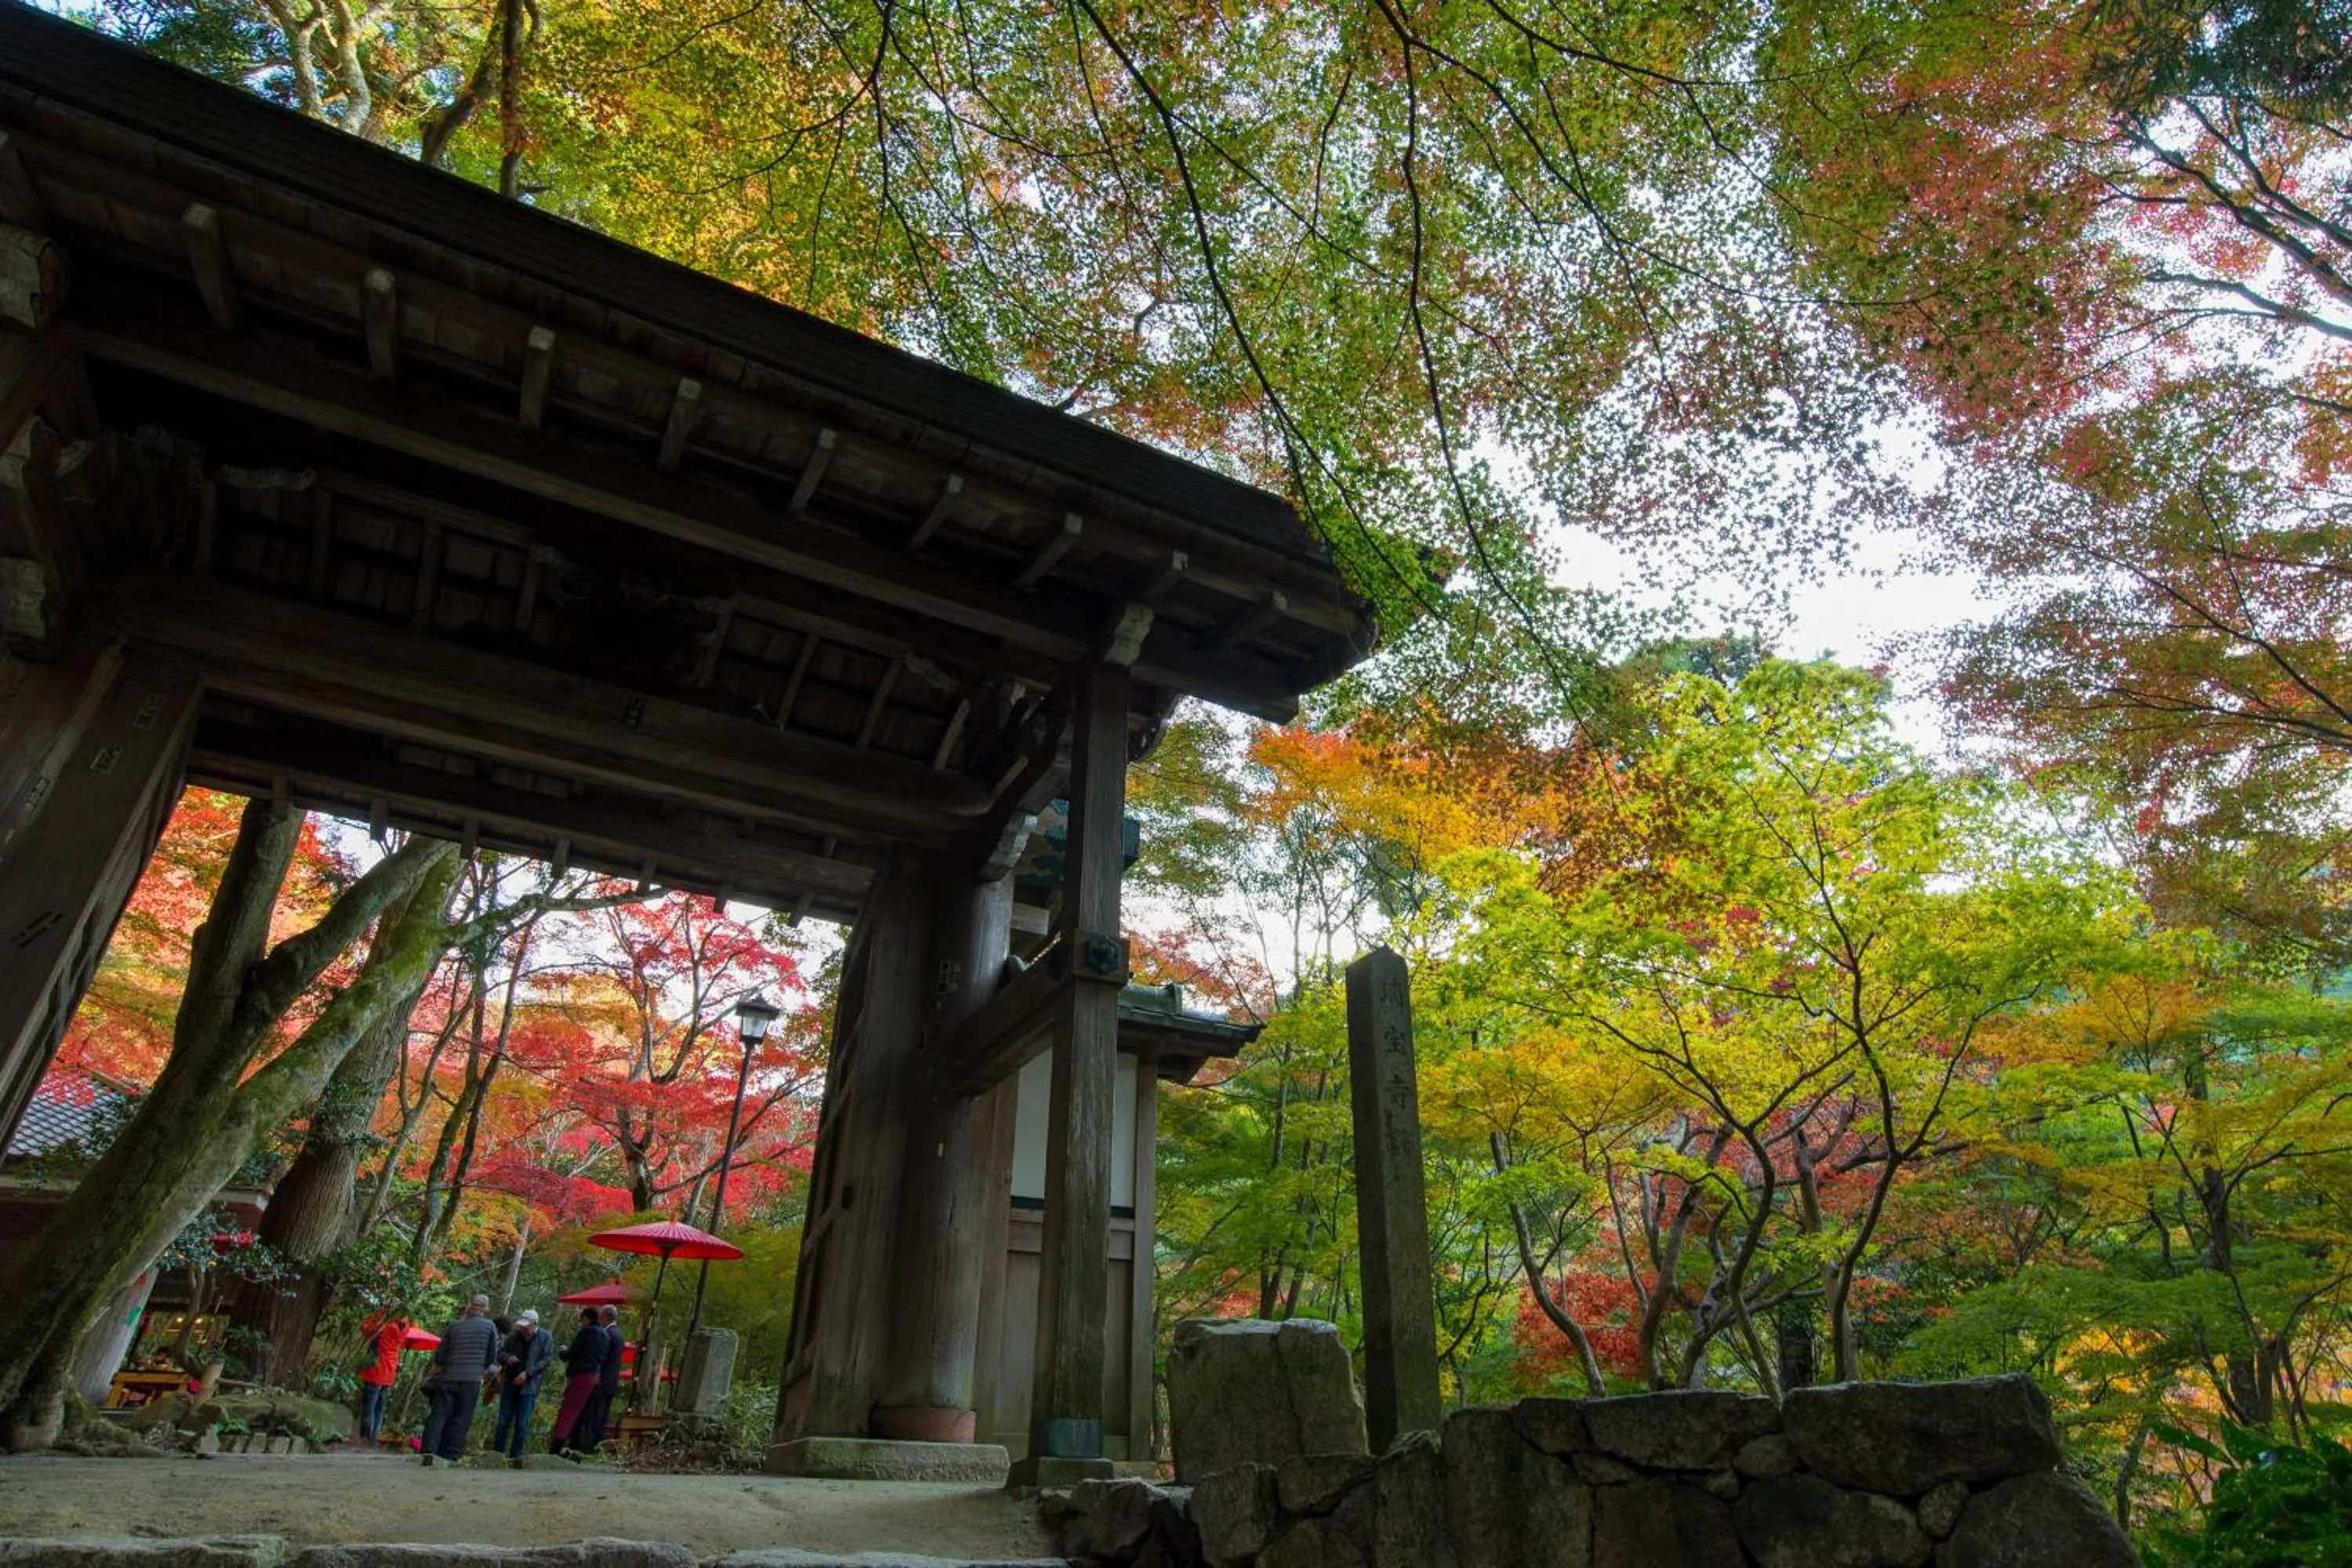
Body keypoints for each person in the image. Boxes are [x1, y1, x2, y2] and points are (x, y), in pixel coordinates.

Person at [419, 1294, 499, 1465]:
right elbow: (492, 1356)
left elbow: (440, 1355)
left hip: (449, 1377)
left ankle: (428, 1451)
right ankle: (452, 1454)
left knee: (439, 1414)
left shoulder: (455, 1326)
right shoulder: (490, 1326)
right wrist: (481, 1371)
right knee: (462, 1417)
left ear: (470, 1306)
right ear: (485, 1309)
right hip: (472, 1380)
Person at [490, 1308, 553, 1465]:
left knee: (522, 1424)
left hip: (529, 1386)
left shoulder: (545, 1337)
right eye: (521, 1326)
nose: (523, 1329)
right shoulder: (514, 1336)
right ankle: (497, 1455)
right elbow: (500, 1353)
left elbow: (546, 1360)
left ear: (534, 1325)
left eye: (526, 1327)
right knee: (503, 1421)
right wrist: (508, 1358)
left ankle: (515, 1457)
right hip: (510, 1384)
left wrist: (528, 1374)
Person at [547, 1308, 606, 1456]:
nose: (581, 1323)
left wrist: (563, 1351)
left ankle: (557, 1444)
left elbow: (573, 1352)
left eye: (582, 1320)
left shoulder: (587, 1332)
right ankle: (573, 1444)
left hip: (581, 1374)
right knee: (580, 1411)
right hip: (595, 1375)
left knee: (569, 1409)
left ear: (586, 1318)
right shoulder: (605, 1335)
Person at [355, 1306, 408, 1446]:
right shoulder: (405, 1323)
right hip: (390, 1369)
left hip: (377, 1367)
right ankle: (374, 1435)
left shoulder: (386, 1320)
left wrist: (379, 1314)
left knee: (370, 1404)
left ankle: (366, 1437)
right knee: (380, 1405)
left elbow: (366, 1328)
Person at [575, 1305, 624, 1453]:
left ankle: (587, 1447)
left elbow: (602, 1358)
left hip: (602, 1382)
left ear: (606, 1317)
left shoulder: (608, 1335)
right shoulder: (618, 1334)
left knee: (594, 1417)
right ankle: (593, 1446)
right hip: (609, 1382)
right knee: (599, 1417)